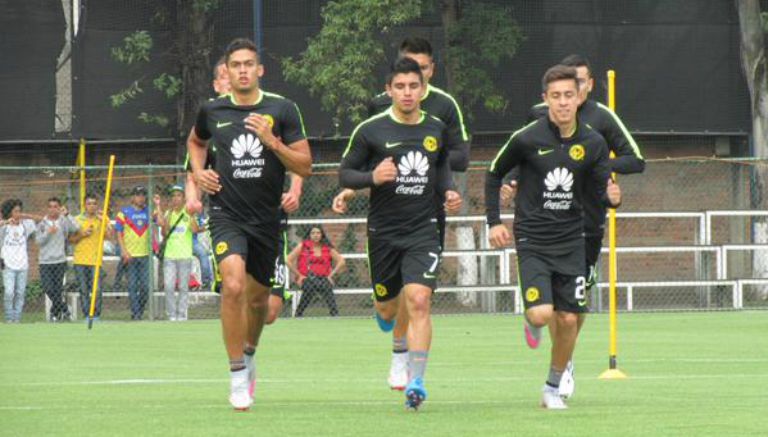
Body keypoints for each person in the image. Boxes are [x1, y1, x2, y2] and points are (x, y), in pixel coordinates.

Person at [502, 54, 645, 399]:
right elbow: (524, 161)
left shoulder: (601, 120)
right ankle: (561, 366)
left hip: (588, 225)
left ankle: (564, 357)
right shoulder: (540, 118)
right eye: (562, 90)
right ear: (551, 95)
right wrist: (512, 181)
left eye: (578, 84)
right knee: (548, 307)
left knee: (574, 311)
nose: (570, 95)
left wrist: (594, 161)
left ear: (589, 85)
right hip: (546, 225)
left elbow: (635, 160)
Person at [333, 36, 471, 391]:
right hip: (383, 230)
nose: (408, 92)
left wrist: (450, 192)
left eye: (414, 85)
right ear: (389, 89)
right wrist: (370, 178)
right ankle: (396, 343)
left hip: (423, 227)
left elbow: (442, 170)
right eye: (400, 86)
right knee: (387, 307)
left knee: (420, 298)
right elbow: (345, 173)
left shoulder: (435, 129)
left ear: (424, 88)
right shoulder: (370, 130)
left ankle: (417, 378)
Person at [187, 38, 311, 410]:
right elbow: (196, 142)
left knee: (259, 304)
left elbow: (304, 165)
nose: (242, 70)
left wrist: (272, 141)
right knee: (233, 284)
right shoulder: (212, 110)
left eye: (249, 64)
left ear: (260, 70)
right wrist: (199, 172)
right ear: (227, 71)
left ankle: (251, 353)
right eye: (235, 65)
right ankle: (237, 373)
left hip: (267, 221)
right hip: (227, 215)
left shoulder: (283, 109)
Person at [156, 186, 200, 321]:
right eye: (173, 196)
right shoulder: (168, 213)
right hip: (170, 255)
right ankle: (171, 315)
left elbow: (194, 230)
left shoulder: (188, 213)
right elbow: (164, 233)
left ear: (183, 198)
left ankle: (182, 314)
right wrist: (162, 211)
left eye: (178, 196)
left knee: (183, 287)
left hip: (185, 255)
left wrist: (191, 214)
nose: (175, 199)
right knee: (169, 286)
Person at [35, 197, 79, 322]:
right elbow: (38, 241)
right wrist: (48, 232)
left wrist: (68, 214)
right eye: (50, 206)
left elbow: (76, 227)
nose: (53, 209)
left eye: (55, 207)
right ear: (47, 208)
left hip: (59, 260)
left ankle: (55, 314)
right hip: (45, 261)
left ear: (59, 208)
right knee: (48, 288)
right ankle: (65, 308)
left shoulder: (63, 221)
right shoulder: (42, 223)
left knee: (57, 289)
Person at [286, 226, 345, 317]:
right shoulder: (303, 246)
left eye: (318, 233)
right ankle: (299, 314)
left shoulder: (327, 248)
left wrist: (331, 275)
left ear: (322, 235)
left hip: (323, 278)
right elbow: (288, 260)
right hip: (306, 278)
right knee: (310, 286)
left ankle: (334, 314)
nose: (315, 235)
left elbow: (341, 261)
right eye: (313, 233)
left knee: (325, 285)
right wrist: (299, 275)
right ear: (309, 235)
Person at [69, 194, 111, 320]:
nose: (91, 206)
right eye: (89, 203)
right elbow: (71, 239)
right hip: (80, 259)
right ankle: (87, 315)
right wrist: (82, 235)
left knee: (97, 290)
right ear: (84, 205)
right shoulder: (77, 220)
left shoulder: (101, 219)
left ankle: (96, 315)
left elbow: (109, 236)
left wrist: (104, 220)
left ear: (97, 205)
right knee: (83, 290)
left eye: (94, 203)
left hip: (95, 260)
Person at [116, 186, 151, 320]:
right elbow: (119, 233)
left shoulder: (148, 211)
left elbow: (159, 221)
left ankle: (139, 311)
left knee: (145, 288)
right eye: (138, 195)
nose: (141, 198)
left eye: (143, 195)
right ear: (132, 197)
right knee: (132, 286)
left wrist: (158, 206)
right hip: (130, 256)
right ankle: (136, 315)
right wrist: (124, 251)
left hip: (145, 255)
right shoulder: (123, 213)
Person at [0, 199, 37, 323]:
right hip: (7, 264)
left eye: (19, 211)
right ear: (8, 212)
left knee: (20, 293)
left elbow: (43, 219)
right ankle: (9, 318)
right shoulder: (4, 227)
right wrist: (5, 222)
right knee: (9, 292)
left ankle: (17, 319)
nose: (18, 214)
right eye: (15, 211)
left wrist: (26, 216)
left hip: (22, 264)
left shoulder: (26, 225)